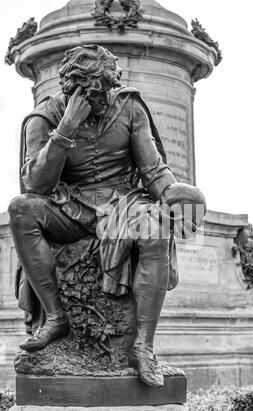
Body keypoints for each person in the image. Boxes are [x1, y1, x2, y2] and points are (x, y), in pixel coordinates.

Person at [8, 44, 206, 388]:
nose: (107, 96)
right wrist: (67, 126)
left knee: (155, 225)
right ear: (76, 89)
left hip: (121, 206)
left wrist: (174, 194)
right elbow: (36, 184)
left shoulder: (129, 107)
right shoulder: (46, 116)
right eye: (98, 91)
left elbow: (153, 169)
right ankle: (55, 318)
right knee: (21, 209)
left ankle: (143, 347)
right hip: (68, 207)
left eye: (110, 87)